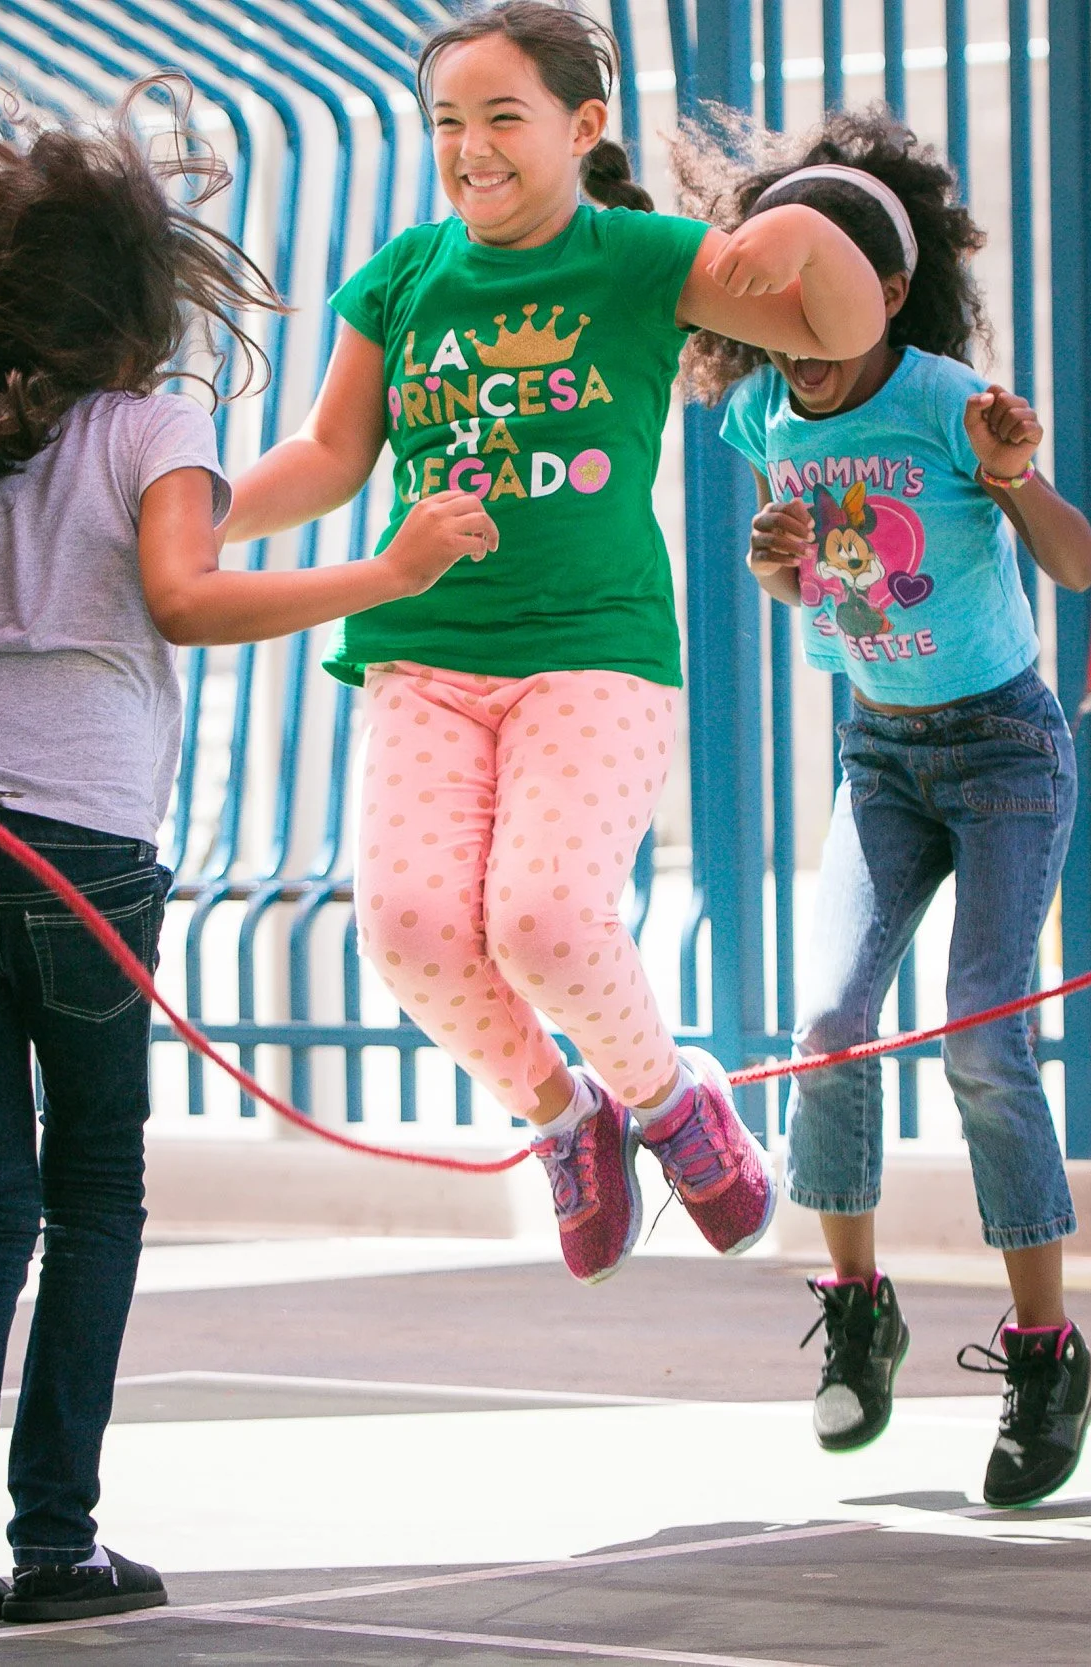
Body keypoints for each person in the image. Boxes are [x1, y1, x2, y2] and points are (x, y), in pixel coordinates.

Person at [0, 85, 493, 1637]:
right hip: (90, 860)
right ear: (138, 299)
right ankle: (55, 1540)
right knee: (98, 1199)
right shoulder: (156, 425)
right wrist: (386, 570)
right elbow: (185, 601)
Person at [225, 0, 886, 1284]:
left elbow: (841, 330)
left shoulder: (642, 259)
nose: (469, 147)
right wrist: (199, 510)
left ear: (583, 127)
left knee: (543, 918)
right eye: (446, 123)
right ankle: (563, 1117)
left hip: (593, 650)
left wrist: (811, 229)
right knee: (413, 927)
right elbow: (326, 455)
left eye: (500, 118)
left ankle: (668, 1101)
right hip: (423, 650)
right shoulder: (406, 275)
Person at [680, 108, 1091, 1508]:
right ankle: (860, 1309)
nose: (807, 336)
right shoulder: (753, 413)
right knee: (827, 1027)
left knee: (985, 1038)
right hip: (878, 756)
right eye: (780, 310)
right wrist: (772, 561)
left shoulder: (943, 399)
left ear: (889, 294)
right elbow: (814, 581)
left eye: (832, 305)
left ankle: (1048, 1349)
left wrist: (1007, 472)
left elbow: (1075, 560)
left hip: (1001, 751)